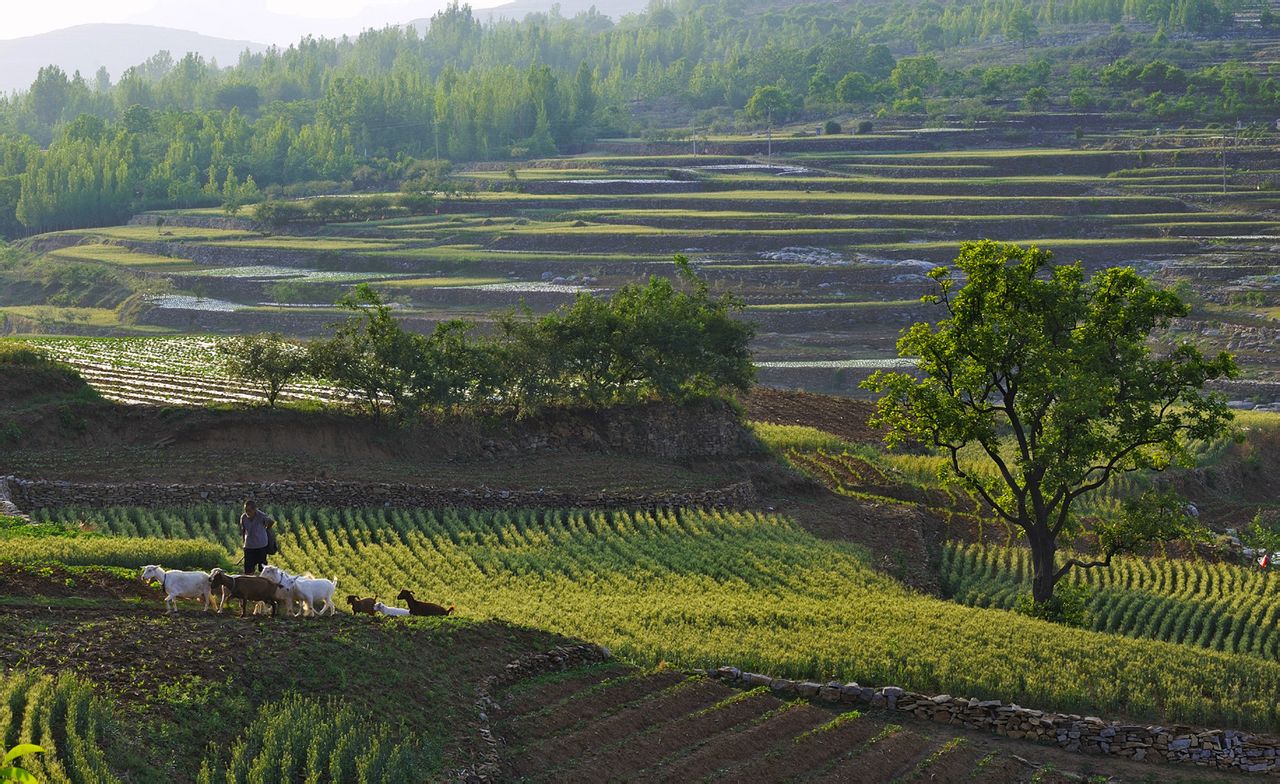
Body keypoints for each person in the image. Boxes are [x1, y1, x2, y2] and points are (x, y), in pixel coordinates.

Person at [239, 500, 275, 575]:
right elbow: (243, 530)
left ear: (254, 510)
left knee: (262, 568)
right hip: (249, 545)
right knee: (248, 568)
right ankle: (250, 583)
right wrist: (244, 543)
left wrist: (265, 530)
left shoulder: (261, 516)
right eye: (246, 510)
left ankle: (262, 582)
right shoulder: (243, 517)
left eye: (249, 510)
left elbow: (271, 522)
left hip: (261, 545)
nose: (247, 513)